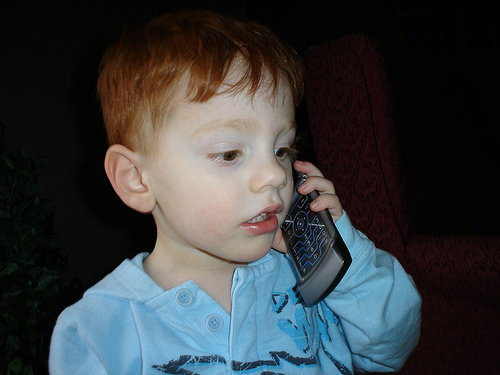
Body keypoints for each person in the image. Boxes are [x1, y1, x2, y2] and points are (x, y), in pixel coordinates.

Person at [49, 10, 421, 374]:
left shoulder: (311, 277)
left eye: (282, 150)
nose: (275, 175)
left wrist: (344, 254)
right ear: (136, 179)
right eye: (229, 153)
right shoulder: (97, 333)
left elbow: (392, 349)